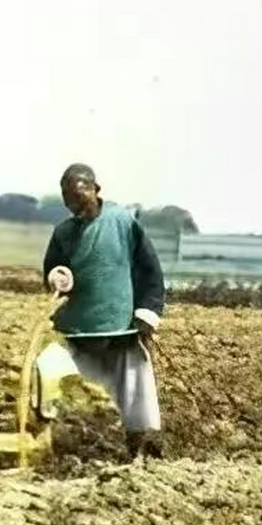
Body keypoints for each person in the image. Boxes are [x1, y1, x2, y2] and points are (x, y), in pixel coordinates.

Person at [41, 162, 167, 461]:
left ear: (96, 190)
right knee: (51, 376)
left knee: (135, 395)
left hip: (121, 329)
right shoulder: (63, 232)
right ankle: (65, 449)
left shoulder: (123, 222)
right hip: (78, 331)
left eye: (80, 197)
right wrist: (57, 276)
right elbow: (54, 270)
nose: (75, 206)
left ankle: (140, 453)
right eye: (68, 200)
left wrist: (148, 312)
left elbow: (151, 271)